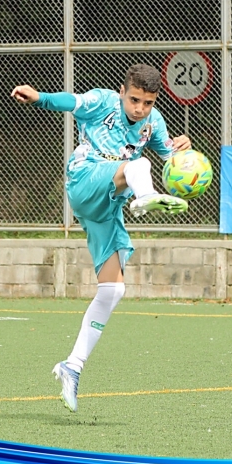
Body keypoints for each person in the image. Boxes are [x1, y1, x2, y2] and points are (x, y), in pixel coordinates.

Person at [11, 63, 191, 413]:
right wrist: (38, 98)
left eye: (148, 103)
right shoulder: (103, 101)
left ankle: (72, 366)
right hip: (85, 180)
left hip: (107, 204)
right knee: (139, 167)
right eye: (135, 100)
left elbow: (173, 164)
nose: (140, 109)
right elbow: (68, 102)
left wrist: (181, 153)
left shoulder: (153, 123)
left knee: (113, 289)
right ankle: (145, 197)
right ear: (123, 92)